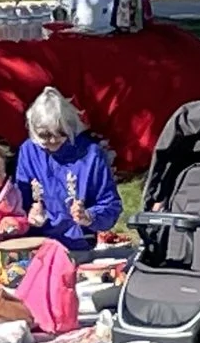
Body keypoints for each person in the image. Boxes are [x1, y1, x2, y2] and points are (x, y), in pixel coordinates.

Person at [14, 88, 120, 248]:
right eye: (44, 135)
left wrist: (89, 217)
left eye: (60, 132)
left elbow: (110, 205)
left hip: (81, 242)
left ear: (71, 126)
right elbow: (17, 203)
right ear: (33, 131)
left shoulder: (91, 153)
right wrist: (29, 216)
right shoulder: (28, 151)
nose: (52, 140)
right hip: (38, 242)